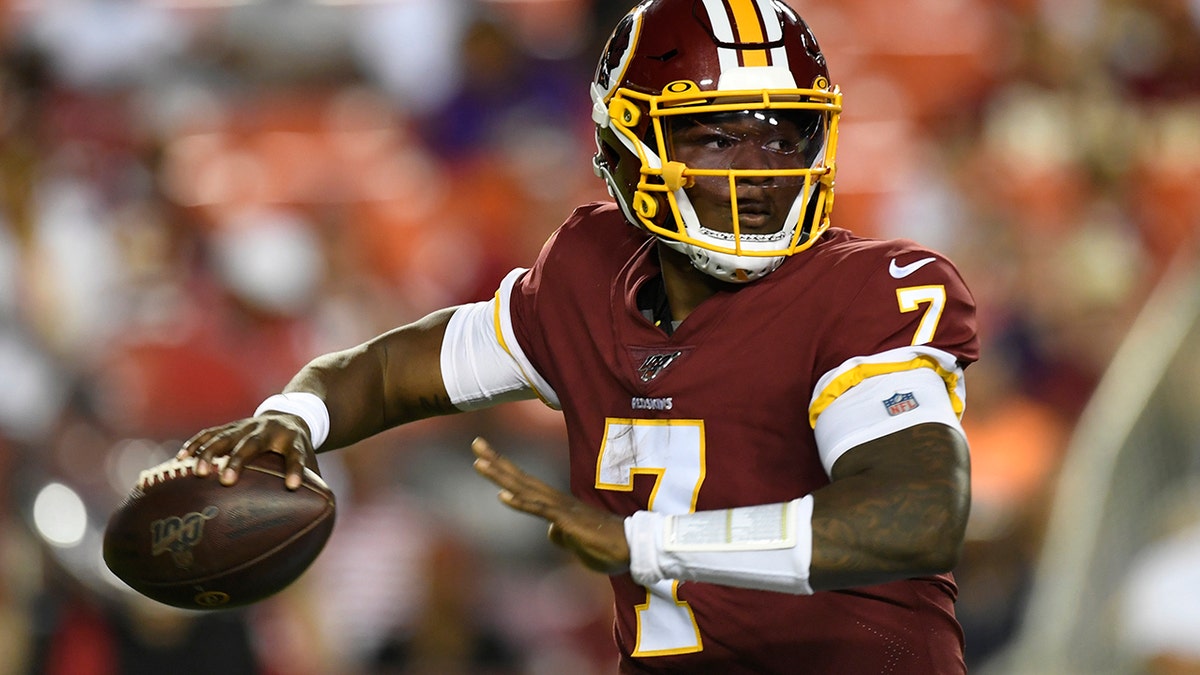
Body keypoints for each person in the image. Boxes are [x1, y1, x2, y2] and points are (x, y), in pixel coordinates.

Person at [179, 0, 979, 672]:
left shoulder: (865, 293)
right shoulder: (589, 279)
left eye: (783, 134)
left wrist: (650, 543)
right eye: (715, 135)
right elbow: (396, 369)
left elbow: (915, 513)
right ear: (624, 153)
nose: (759, 169)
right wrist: (296, 416)